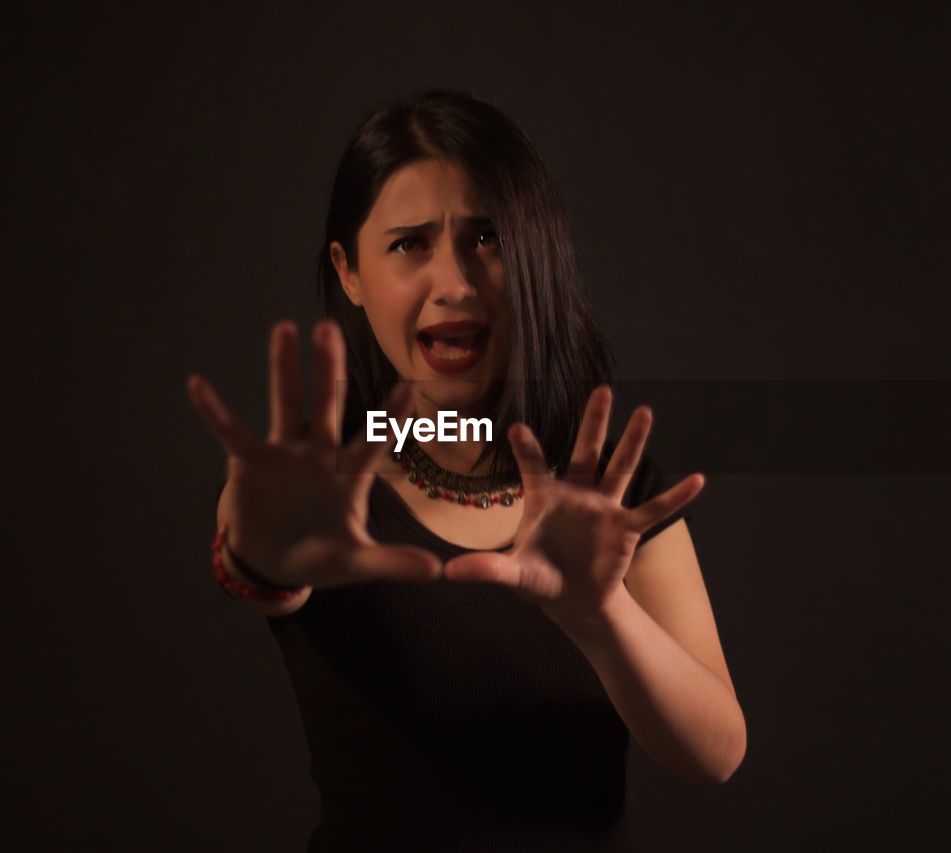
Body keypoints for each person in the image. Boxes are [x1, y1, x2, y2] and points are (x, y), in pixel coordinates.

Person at [186, 89, 746, 851]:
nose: (453, 281)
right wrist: (255, 553)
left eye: (485, 238)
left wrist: (602, 617)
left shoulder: (607, 489)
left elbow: (716, 753)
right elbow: (255, 554)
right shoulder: (318, 489)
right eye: (409, 244)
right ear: (349, 272)